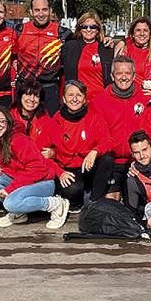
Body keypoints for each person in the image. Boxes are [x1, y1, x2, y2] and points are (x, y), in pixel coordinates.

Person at [0, 107, 69, 229]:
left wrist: (10, 189)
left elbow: (38, 169)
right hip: (21, 180)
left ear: (8, 123)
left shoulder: (18, 140)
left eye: (2, 121)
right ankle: (19, 213)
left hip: (42, 182)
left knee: (10, 203)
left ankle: (55, 204)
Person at [91, 56, 150, 199]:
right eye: (119, 73)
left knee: (138, 204)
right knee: (112, 204)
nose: (123, 77)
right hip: (113, 162)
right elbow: (97, 136)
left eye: (128, 73)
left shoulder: (146, 100)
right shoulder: (99, 101)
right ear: (112, 76)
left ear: (134, 76)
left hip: (138, 161)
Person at [51, 80, 116, 210]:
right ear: (63, 98)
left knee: (107, 158)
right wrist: (59, 171)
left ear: (85, 99)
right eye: (70, 95)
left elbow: (109, 141)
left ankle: (94, 201)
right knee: (73, 190)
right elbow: (41, 152)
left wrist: (95, 151)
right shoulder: (56, 120)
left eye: (79, 95)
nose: (74, 99)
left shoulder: (94, 117)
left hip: (87, 165)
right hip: (67, 168)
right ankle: (74, 201)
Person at [15, 0, 72, 115]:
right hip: (26, 87)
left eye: (44, 10)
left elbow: (86, 42)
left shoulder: (63, 33)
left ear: (50, 11)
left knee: (50, 126)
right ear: (31, 12)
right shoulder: (19, 30)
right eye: (37, 10)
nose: (41, 14)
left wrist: (109, 40)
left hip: (50, 88)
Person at [62, 11, 114, 102]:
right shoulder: (70, 47)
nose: (89, 30)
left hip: (101, 99)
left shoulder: (106, 48)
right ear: (79, 29)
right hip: (77, 100)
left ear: (98, 29)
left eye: (93, 27)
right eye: (85, 27)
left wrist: (123, 41)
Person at [10, 78, 60, 156]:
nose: (32, 99)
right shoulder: (8, 117)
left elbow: (59, 144)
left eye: (36, 96)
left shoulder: (45, 120)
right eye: (28, 94)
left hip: (37, 161)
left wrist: (53, 152)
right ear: (20, 96)